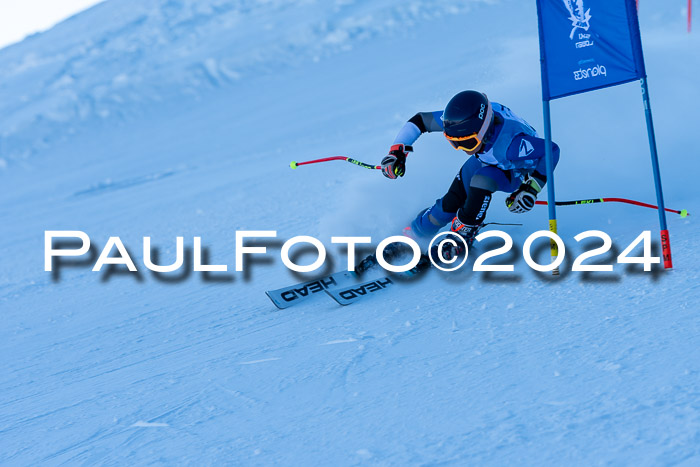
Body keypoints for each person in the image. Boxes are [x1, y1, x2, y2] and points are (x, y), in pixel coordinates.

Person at [381, 90, 560, 253]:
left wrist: (531, 189)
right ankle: (415, 233)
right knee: (448, 204)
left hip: (515, 169)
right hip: (485, 158)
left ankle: (462, 238)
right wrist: (397, 151)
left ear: (483, 131)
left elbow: (551, 149)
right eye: (453, 142)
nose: (461, 148)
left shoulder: (512, 146)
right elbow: (420, 120)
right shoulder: (460, 121)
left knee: (483, 179)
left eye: (467, 143)